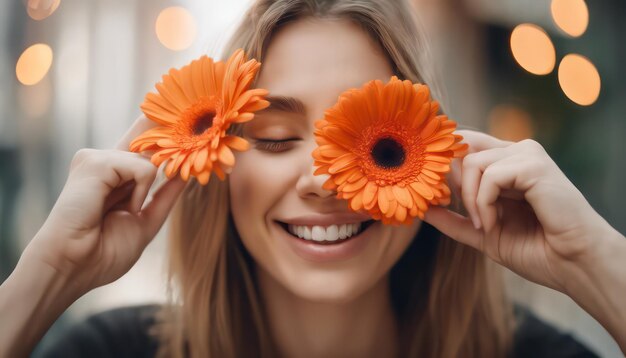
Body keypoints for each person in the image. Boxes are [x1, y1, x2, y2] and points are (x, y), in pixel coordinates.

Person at [1, 0, 625, 357]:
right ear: (217, 169)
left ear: (436, 162)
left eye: (374, 146)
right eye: (274, 139)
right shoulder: (112, 353)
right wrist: (48, 274)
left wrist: (594, 262)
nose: (323, 181)